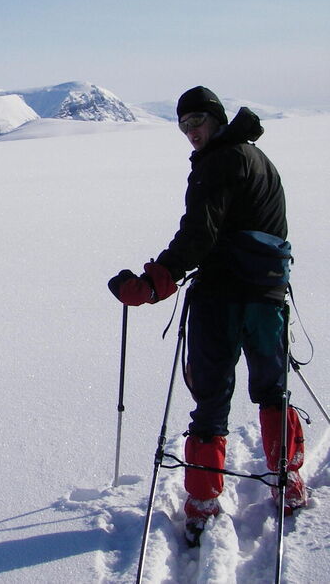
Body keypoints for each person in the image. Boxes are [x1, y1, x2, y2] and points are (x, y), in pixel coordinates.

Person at [108, 86, 305, 543]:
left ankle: (201, 500)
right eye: (182, 125)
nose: (190, 132)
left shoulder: (218, 161)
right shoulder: (256, 157)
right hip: (269, 296)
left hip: (221, 298)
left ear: (216, 119)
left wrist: (153, 283)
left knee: (211, 400)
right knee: (272, 389)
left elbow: (199, 233)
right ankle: (287, 480)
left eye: (196, 121)